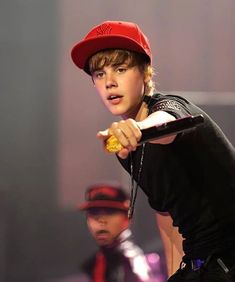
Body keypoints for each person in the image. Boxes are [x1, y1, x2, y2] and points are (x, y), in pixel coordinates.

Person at [70, 20, 235, 281]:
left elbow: (168, 124)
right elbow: (168, 220)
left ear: (146, 73)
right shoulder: (128, 149)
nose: (109, 82)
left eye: (121, 69)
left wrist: (139, 129)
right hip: (201, 263)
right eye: (99, 74)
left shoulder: (171, 107)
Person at [78, 183, 165, 282]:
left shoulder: (136, 262)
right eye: (94, 212)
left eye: (109, 212)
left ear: (127, 217)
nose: (101, 220)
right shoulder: (94, 263)